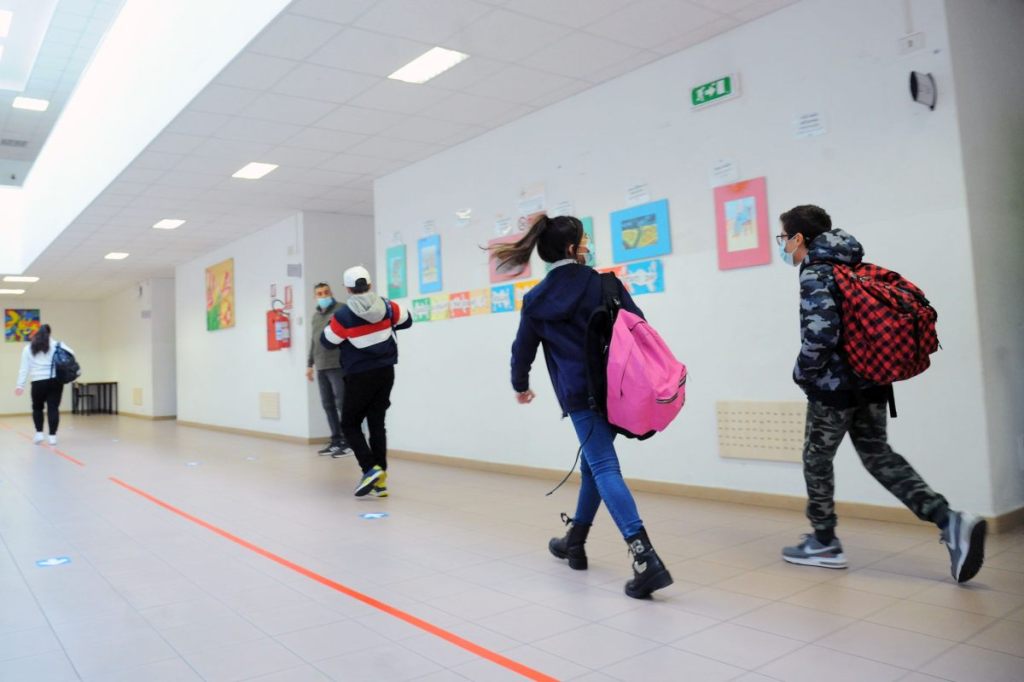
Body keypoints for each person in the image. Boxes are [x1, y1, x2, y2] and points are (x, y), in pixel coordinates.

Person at [777, 204, 986, 583]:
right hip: (873, 380)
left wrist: (801, 373)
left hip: (834, 390)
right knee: (878, 455)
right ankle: (950, 520)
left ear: (799, 238)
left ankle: (823, 542)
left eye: (783, 237)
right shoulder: (854, 265)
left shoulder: (816, 271)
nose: (783, 245)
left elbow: (821, 335)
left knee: (816, 459)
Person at [498, 215, 674, 599]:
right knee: (597, 465)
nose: (588, 245)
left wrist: (520, 385)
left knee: (602, 465)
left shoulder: (536, 299)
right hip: (617, 391)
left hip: (579, 395)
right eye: (584, 239)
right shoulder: (604, 284)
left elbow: (522, 350)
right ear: (571, 248)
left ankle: (644, 559)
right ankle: (575, 540)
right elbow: (639, 326)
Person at [321, 265, 412, 498]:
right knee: (377, 424)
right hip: (386, 372)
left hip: (359, 375)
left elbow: (327, 341)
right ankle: (380, 482)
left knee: (350, 424)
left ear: (347, 289)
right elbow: (407, 320)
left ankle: (370, 469)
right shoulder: (388, 306)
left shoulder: (343, 316)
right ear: (369, 284)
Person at [306, 281, 352, 457]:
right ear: (315, 297)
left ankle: (349, 442)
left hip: (338, 364)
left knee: (343, 403)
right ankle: (336, 440)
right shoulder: (315, 317)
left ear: (331, 292)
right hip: (321, 366)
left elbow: (351, 333)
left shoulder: (342, 310)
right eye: (320, 294)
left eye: (326, 292)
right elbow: (314, 341)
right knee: (327, 404)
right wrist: (309, 364)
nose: (324, 296)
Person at [13, 324, 72, 446]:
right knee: (53, 408)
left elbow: (24, 368)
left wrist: (20, 385)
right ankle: (52, 437)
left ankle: (39, 433)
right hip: (55, 381)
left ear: (37, 333)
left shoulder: (28, 348)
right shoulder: (57, 345)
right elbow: (71, 353)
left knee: (37, 408)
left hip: (37, 382)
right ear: (49, 334)